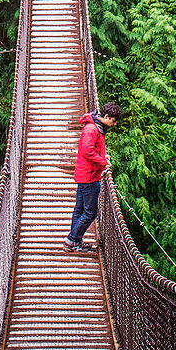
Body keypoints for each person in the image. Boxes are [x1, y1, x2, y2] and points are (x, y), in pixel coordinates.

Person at [63, 102, 123, 253]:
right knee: (90, 212)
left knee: (80, 209)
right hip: (89, 176)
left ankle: (75, 241)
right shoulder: (92, 129)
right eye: (113, 121)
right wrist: (103, 162)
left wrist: (103, 155)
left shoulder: (96, 126)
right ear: (106, 116)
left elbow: (93, 149)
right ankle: (72, 240)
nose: (114, 124)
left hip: (85, 174)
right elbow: (87, 152)